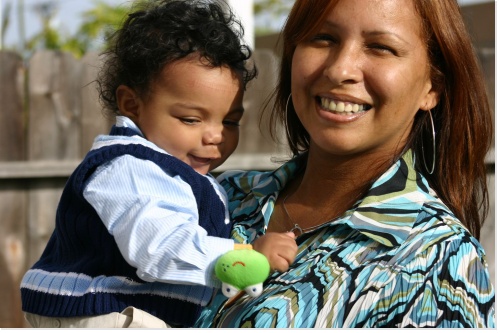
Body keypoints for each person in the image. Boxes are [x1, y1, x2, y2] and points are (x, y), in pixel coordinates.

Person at [194, 0, 495, 328]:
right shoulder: (225, 195)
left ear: (432, 87)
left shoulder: (439, 263)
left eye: (380, 47)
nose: (340, 69)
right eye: (323, 38)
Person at [19, 0, 297, 328]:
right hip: (100, 309)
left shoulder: (175, 172)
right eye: (191, 119)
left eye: (231, 122)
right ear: (131, 104)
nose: (216, 136)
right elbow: (157, 245)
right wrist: (243, 257)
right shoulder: (131, 168)